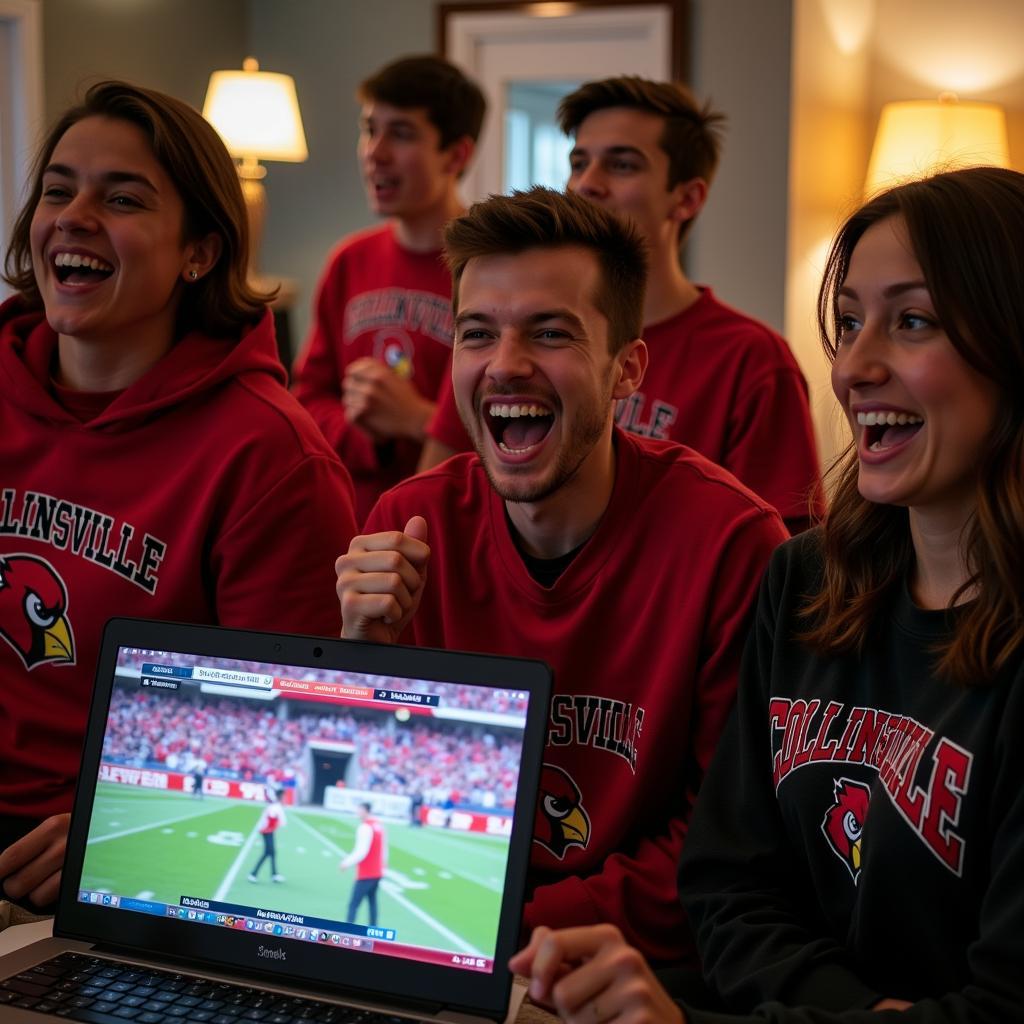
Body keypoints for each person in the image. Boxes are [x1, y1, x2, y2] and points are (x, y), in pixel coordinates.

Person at [510, 167, 1024, 1022]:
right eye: (851, 322)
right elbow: (728, 887)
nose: (854, 366)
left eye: (913, 322)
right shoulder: (806, 580)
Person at [336, 187, 788, 964]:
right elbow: (355, 822)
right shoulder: (406, 526)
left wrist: (502, 927)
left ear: (626, 371)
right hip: (431, 947)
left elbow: (725, 847)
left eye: (550, 334)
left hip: (632, 971)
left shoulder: (733, 545)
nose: (505, 366)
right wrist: (363, 660)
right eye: (477, 334)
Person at [0, 80, 358, 911]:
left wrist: (125, 839)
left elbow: (305, 757)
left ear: (199, 251)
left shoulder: (271, 458)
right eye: (58, 189)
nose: (75, 215)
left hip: (114, 882)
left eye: (122, 198)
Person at [421, 77, 822, 534]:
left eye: (622, 165)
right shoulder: (502, 345)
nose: (587, 184)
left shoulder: (751, 361)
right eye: (579, 163)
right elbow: (438, 497)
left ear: (687, 198)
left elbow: (788, 559)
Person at [293, 55, 486, 522]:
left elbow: (514, 423)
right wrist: (367, 436)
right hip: (349, 525)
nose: (374, 152)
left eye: (400, 133)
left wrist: (419, 419)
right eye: (368, 129)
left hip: (456, 528)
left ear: (455, 155)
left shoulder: (490, 270)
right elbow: (308, 401)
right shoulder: (349, 261)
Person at [340, 802, 387, 927]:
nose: (357, 812)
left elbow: (362, 851)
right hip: (377, 872)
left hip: (367, 873)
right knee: (372, 901)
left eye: (359, 809)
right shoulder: (378, 825)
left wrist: (346, 863)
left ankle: (347, 931)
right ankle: (374, 929)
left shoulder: (365, 827)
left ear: (366, 811)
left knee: (354, 903)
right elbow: (384, 848)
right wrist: (383, 866)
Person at [248, 787, 286, 883]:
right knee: (268, 852)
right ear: (280, 796)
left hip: (269, 830)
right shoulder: (276, 807)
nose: (284, 798)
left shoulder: (275, 806)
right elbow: (271, 819)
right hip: (267, 831)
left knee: (272, 852)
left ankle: (274, 874)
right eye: (283, 796)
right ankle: (253, 874)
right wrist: (272, 826)